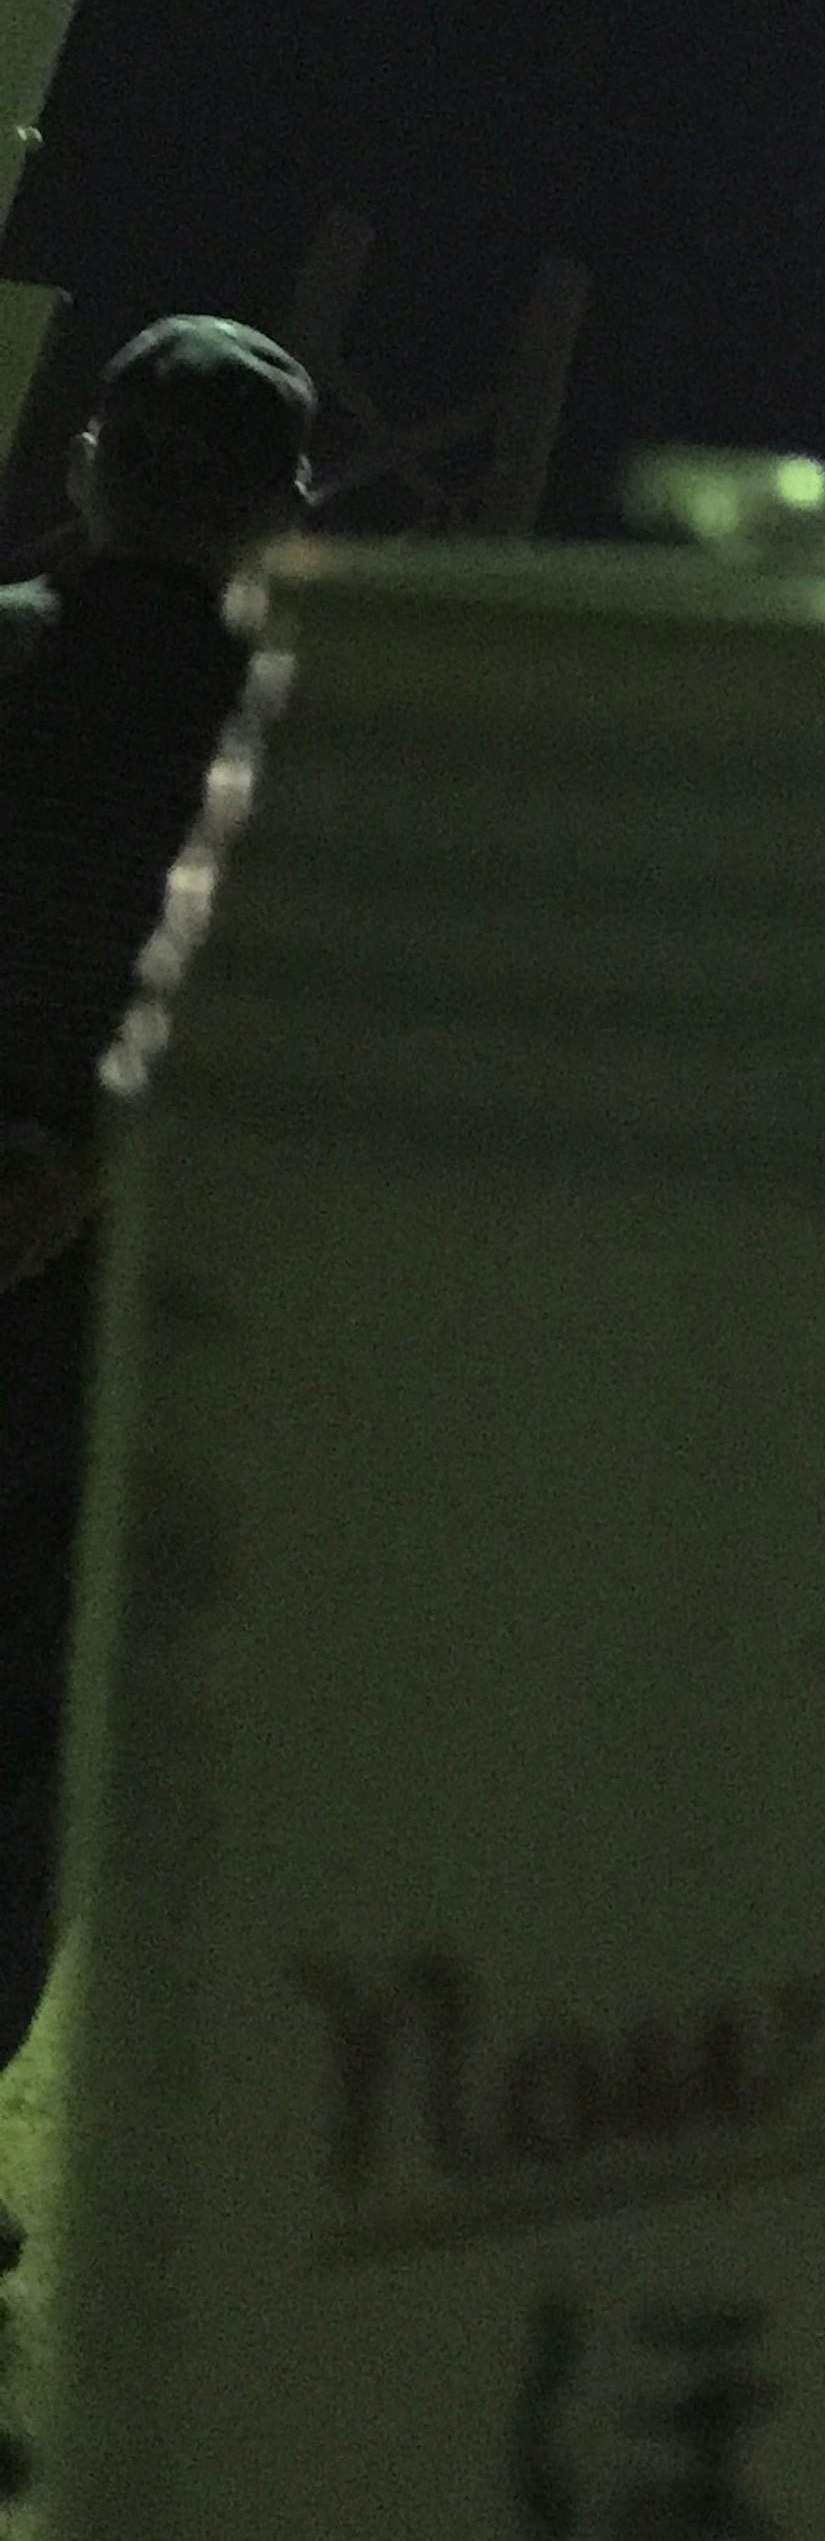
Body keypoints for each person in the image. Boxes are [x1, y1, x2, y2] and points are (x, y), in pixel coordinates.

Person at [0, 317, 314, 2066]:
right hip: (122, 1323)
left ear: (89, 466)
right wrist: (87, 1174)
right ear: (285, 511)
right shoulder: (307, 762)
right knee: (32, 1742)